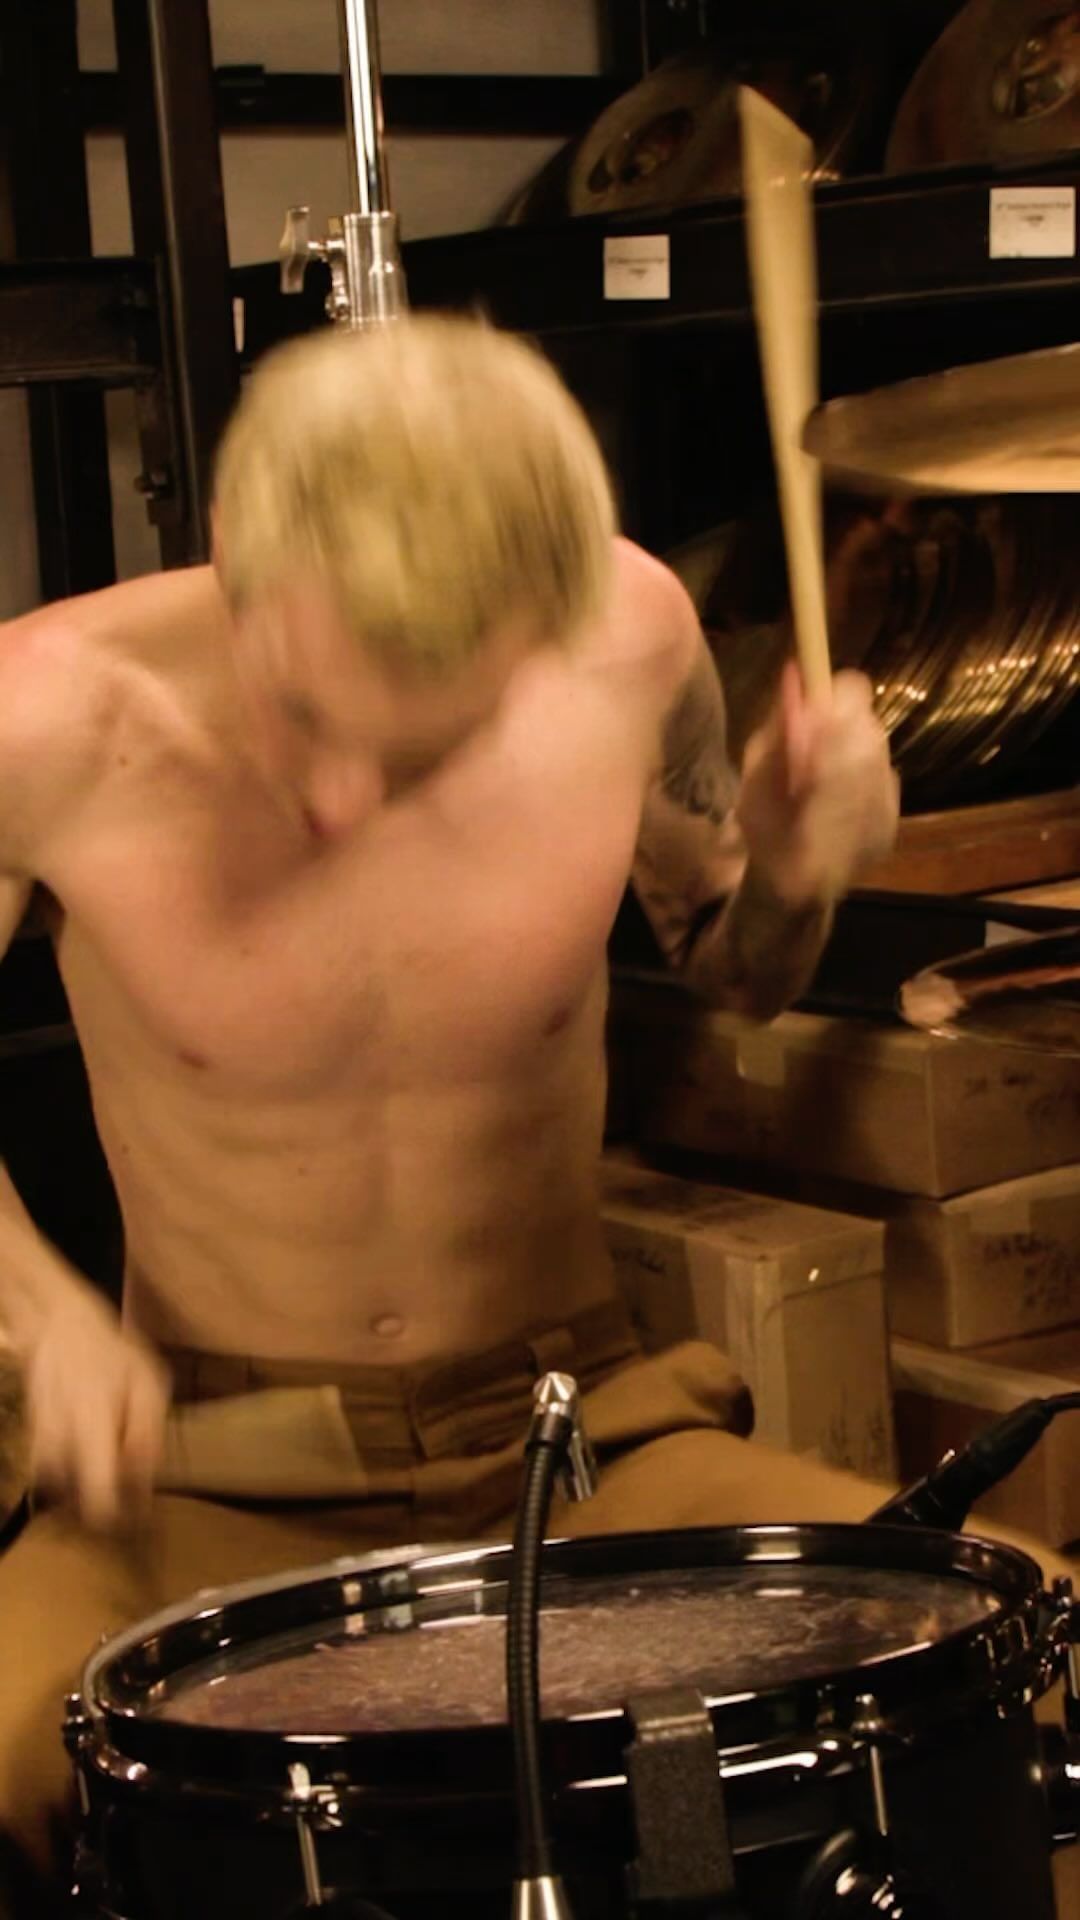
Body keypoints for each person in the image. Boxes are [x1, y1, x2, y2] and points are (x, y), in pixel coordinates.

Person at [0, 315, 1067, 1912]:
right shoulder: (39, 714)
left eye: (423, 753)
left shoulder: (631, 637)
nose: (343, 804)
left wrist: (795, 869)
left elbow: (741, 972)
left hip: (577, 1439)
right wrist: (41, 1319)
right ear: (233, 552)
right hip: (200, 1472)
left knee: (1028, 1658)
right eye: (307, 718)